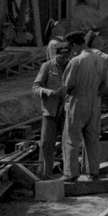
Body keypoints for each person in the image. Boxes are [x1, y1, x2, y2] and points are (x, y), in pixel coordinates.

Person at [60, 30, 108, 182]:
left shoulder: (76, 61)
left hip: (78, 101)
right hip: (95, 102)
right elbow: (104, 84)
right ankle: (93, 172)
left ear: (74, 45)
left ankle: (71, 173)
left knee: (71, 138)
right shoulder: (100, 59)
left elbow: (68, 85)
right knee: (92, 138)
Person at [32, 40, 71, 179]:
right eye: (61, 56)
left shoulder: (73, 65)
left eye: (66, 56)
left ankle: (69, 173)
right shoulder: (47, 66)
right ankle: (46, 174)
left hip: (68, 111)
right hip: (51, 111)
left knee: (69, 143)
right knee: (47, 143)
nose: (63, 59)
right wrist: (49, 92)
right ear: (56, 54)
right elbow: (36, 87)